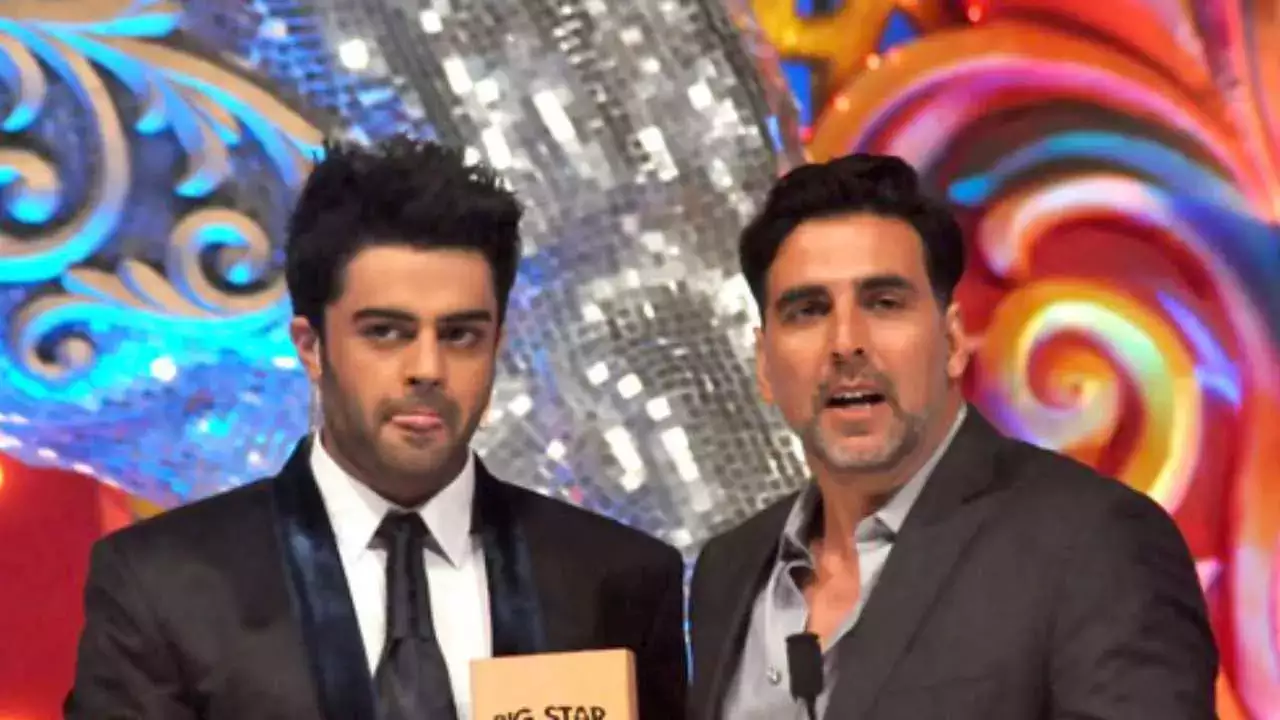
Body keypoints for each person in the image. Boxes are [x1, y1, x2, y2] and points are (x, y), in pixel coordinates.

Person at [66, 136, 687, 720]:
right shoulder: (164, 585)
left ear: (498, 344)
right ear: (311, 347)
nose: (427, 368)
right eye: (386, 332)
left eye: (460, 335)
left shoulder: (616, 579)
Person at [687, 154, 1217, 720]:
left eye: (884, 304)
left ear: (954, 341)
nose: (845, 343)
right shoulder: (728, 569)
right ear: (764, 365)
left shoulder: (1094, 543)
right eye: (808, 311)